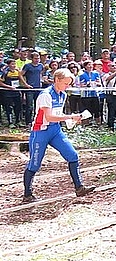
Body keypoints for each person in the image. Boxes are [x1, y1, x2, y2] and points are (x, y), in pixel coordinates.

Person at [21, 69, 96, 203]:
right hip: (41, 131)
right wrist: (70, 116)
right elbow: (49, 117)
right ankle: (27, 194)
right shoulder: (46, 95)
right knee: (35, 164)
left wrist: (72, 119)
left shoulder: (62, 94)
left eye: (69, 84)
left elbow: (58, 114)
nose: (67, 86)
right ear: (57, 80)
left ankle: (79, 187)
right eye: (66, 83)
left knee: (72, 155)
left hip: (55, 130)